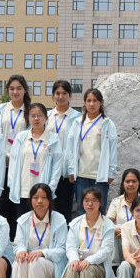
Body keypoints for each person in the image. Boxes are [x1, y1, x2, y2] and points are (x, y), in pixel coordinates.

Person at [5, 183, 69, 278]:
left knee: (35, 262)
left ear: (49, 200)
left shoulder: (59, 220)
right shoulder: (24, 220)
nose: (39, 201)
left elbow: (62, 249)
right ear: (31, 200)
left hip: (52, 265)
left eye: (43, 197)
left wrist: (42, 253)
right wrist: (21, 251)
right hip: (29, 263)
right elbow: (18, 243)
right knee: (19, 262)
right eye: (35, 198)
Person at [56, 186, 117, 278]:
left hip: (98, 265)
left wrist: (89, 261)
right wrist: (74, 260)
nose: (90, 204)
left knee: (87, 270)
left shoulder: (108, 225)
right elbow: (70, 246)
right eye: (86, 200)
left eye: (94, 200)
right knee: (71, 270)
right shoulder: (76, 223)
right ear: (82, 203)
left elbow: (106, 251)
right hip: (78, 262)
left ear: (100, 202)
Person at [66, 88, 118, 215]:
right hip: (81, 174)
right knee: (81, 209)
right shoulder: (78, 123)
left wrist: (111, 172)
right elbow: (70, 147)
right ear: (85, 103)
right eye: (88, 101)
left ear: (101, 102)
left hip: (100, 176)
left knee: (99, 209)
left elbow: (112, 149)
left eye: (95, 101)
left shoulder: (107, 123)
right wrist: (71, 169)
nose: (91, 104)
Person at [7, 102, 63, 217]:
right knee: (23, 221)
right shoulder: (21, 137)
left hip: (43, 191)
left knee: (42, 222)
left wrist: (50, 188)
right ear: (28, 118)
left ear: (46, 118)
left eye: (40, 115)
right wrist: (12, 184)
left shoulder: (54, 139)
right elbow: (13, 163)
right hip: (23, 190)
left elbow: (57, 166)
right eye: (32, 116)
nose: (36, 118)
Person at [0, 75, 31, 227]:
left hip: (21, 165)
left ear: (25, 90)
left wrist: (14, 157)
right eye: (11, 88)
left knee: (20, 203)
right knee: (4, 203)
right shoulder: (0, 109)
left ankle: (19, 236)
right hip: (3, 163)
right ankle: (6, 236)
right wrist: (4, 155)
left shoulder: (30, 111)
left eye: (19, 88)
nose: (15, 92)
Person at [47, 80, 81, 220]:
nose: (61, 97)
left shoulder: (77, 117)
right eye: (57, 93)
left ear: (70, 95)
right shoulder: (47, 116)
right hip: (48, 169)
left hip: (66, 171)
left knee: (65, 208)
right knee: (48, 207)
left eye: (64, 93)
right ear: (53, 95)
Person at [106, 168, 140, 258]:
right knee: (113, 228)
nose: (130, 184)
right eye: (127, 181)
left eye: (134, 181)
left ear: (139, 183)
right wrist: (116, 230)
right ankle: (115, 263)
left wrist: (127, 232)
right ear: (123, 184)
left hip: (138, 237)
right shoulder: (116, 201)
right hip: (119, 238)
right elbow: (107, 223)